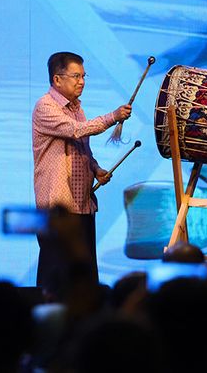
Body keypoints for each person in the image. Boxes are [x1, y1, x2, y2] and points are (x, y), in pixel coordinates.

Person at [32, 51, 131, 286]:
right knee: (55, 268)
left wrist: (95, 168)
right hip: (58, 204)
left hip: (82, 201)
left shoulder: (76, 107)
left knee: (83, 270)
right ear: (57, 79)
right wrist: (113, 117)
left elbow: (80, 145)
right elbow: (76, 130)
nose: (82, 82)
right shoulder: (45, 107)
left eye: (84, 76)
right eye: (76, 76)